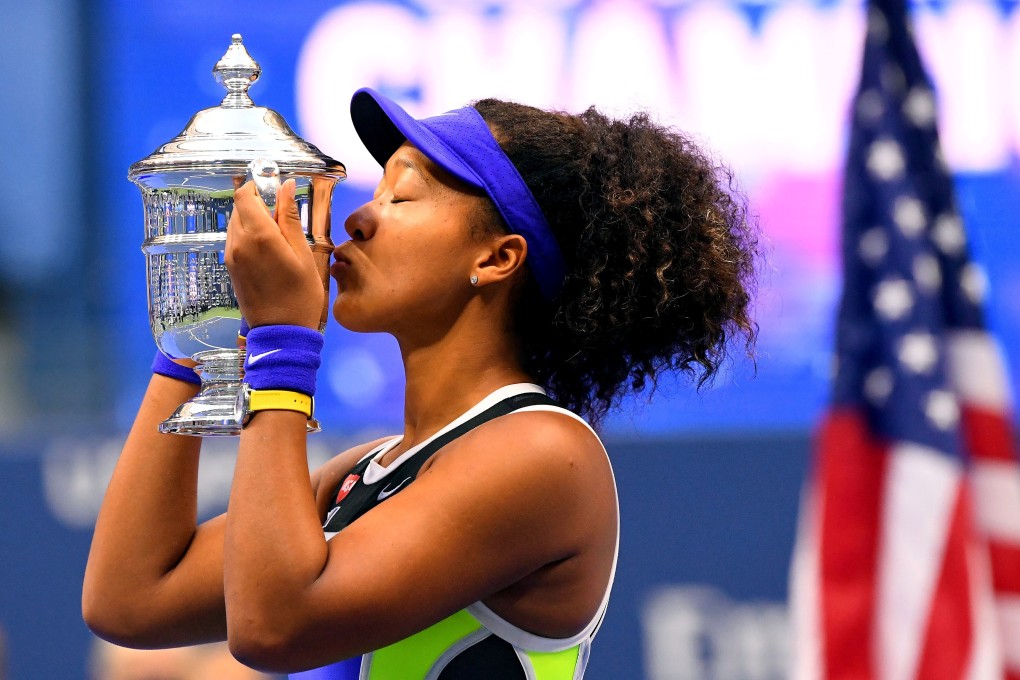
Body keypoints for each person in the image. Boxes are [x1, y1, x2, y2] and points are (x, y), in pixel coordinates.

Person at [82, 87, 759, 678]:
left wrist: (282, 343)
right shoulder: (364, 471)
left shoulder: (545, 457)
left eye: (403, 194)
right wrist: (196, 339)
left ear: (497, 258)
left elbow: (273, 627)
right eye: (375, 192)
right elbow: (130, 598)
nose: (356, 218)